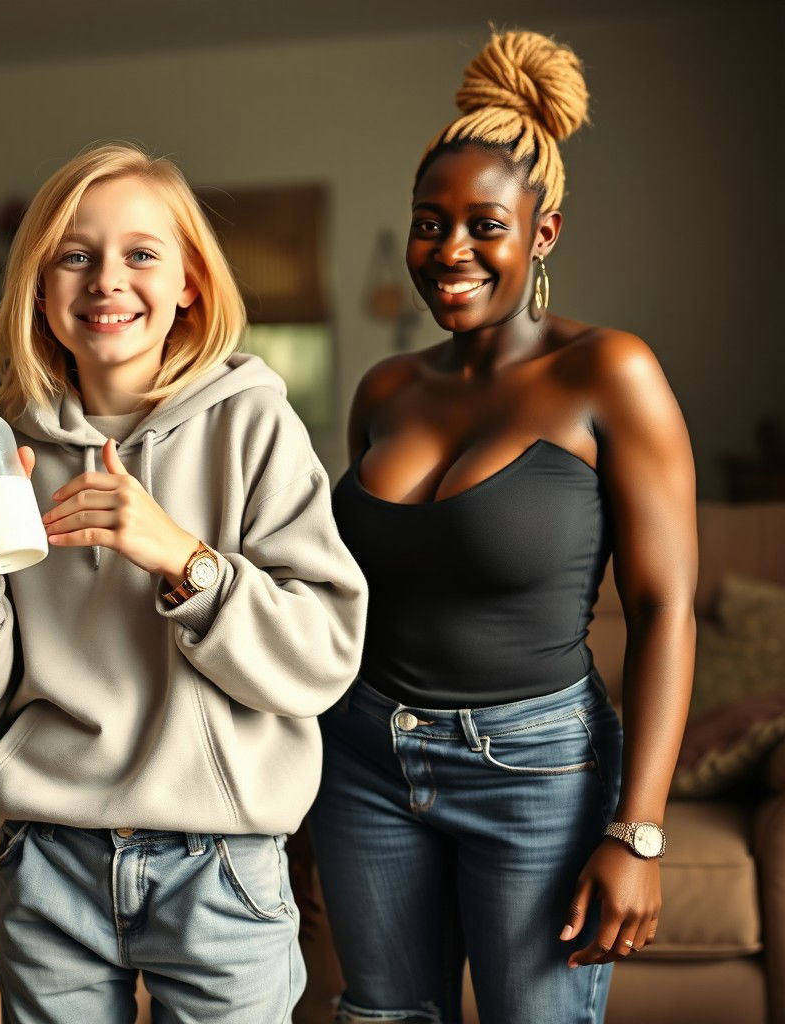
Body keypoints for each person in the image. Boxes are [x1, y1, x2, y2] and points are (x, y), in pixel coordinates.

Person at [0, 142, 368, 1024]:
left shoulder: (256, 426)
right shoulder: (2, 450)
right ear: (40, 288)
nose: (106, 279)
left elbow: (324, 657)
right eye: (74, 256)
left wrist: (183, 559)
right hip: (50, 864)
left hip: (222, 867)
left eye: (141, 254)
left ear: (190, 281)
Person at [307, 30, 697, 1024]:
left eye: (485, 225)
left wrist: (638, 829)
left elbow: (663, 609)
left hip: (534, 769)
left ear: (544, 232)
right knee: (384, 1015)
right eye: (427, 224)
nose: (449, 252)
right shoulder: (383, 388)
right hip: (361, 756)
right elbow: (334, 592)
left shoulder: (610, 375)